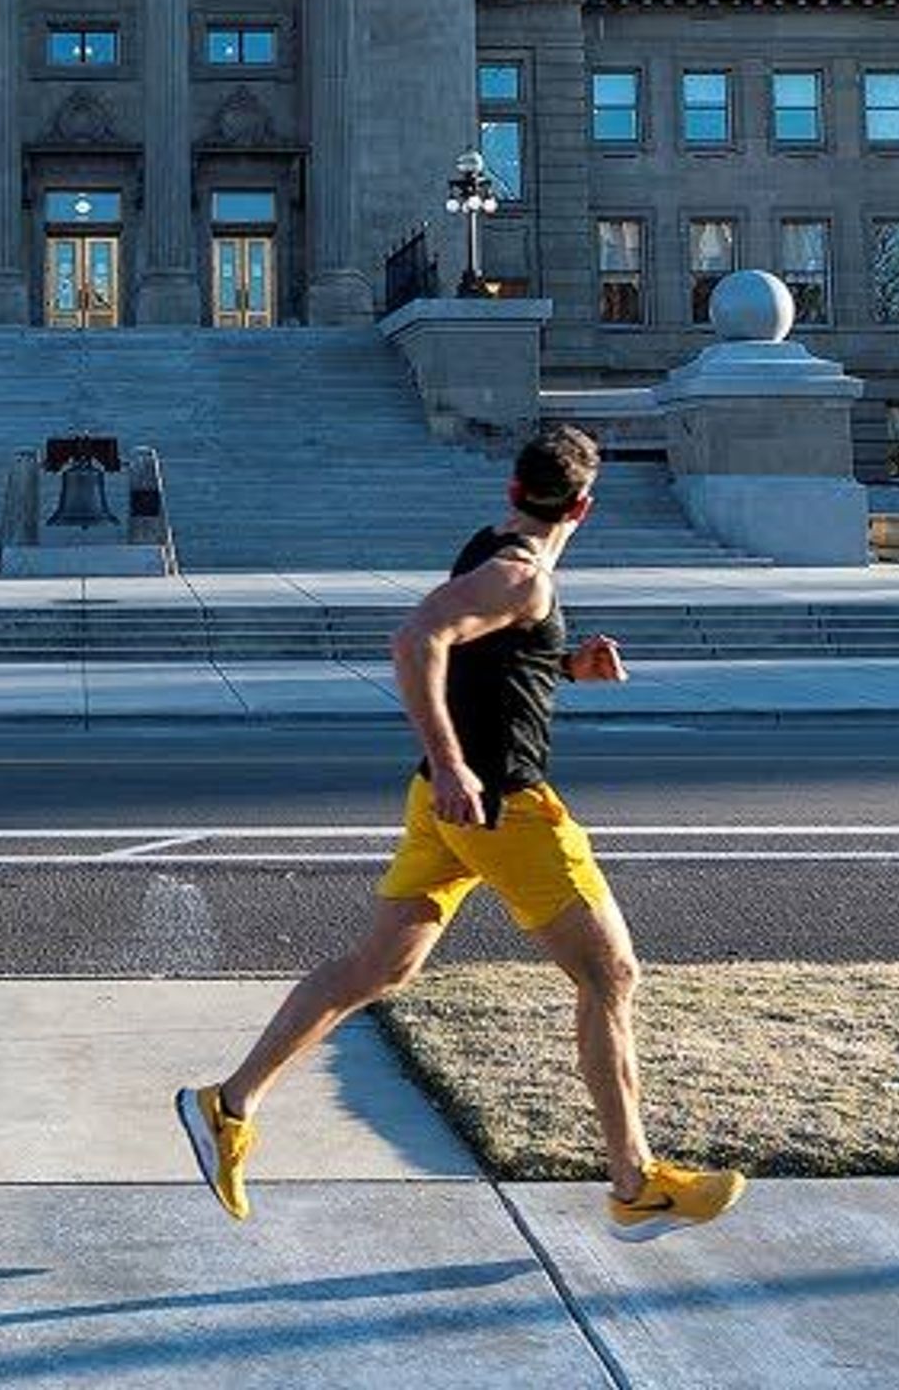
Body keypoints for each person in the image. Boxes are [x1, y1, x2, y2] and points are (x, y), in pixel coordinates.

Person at [178, 422, 744, 1237]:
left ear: (515, 492)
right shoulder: (519, 576)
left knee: (375, 969)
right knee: (609, 975)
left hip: (447, 810)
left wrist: (563, 667)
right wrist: (451, 763)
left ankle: (226, 1107)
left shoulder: (498, 552)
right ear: (584, 506)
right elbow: (417, 640)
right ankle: (634, 1184)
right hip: (502, 807)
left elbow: (486, 659)